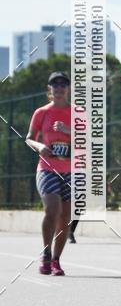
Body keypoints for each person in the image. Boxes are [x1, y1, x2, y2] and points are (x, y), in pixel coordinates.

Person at [26, 71, 73, 276]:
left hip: (71, 170)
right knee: (52, 210)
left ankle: (55, 260)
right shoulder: (41, 112)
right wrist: (39, 146)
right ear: (50, 90)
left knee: (65, 217)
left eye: (63, 84)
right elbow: (29, 137)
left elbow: (89, 140)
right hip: (47, 169)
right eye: (55, 85)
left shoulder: (77, 112)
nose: (60, 88)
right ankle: (45, 253)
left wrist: (68, 130)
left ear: (68, 89)